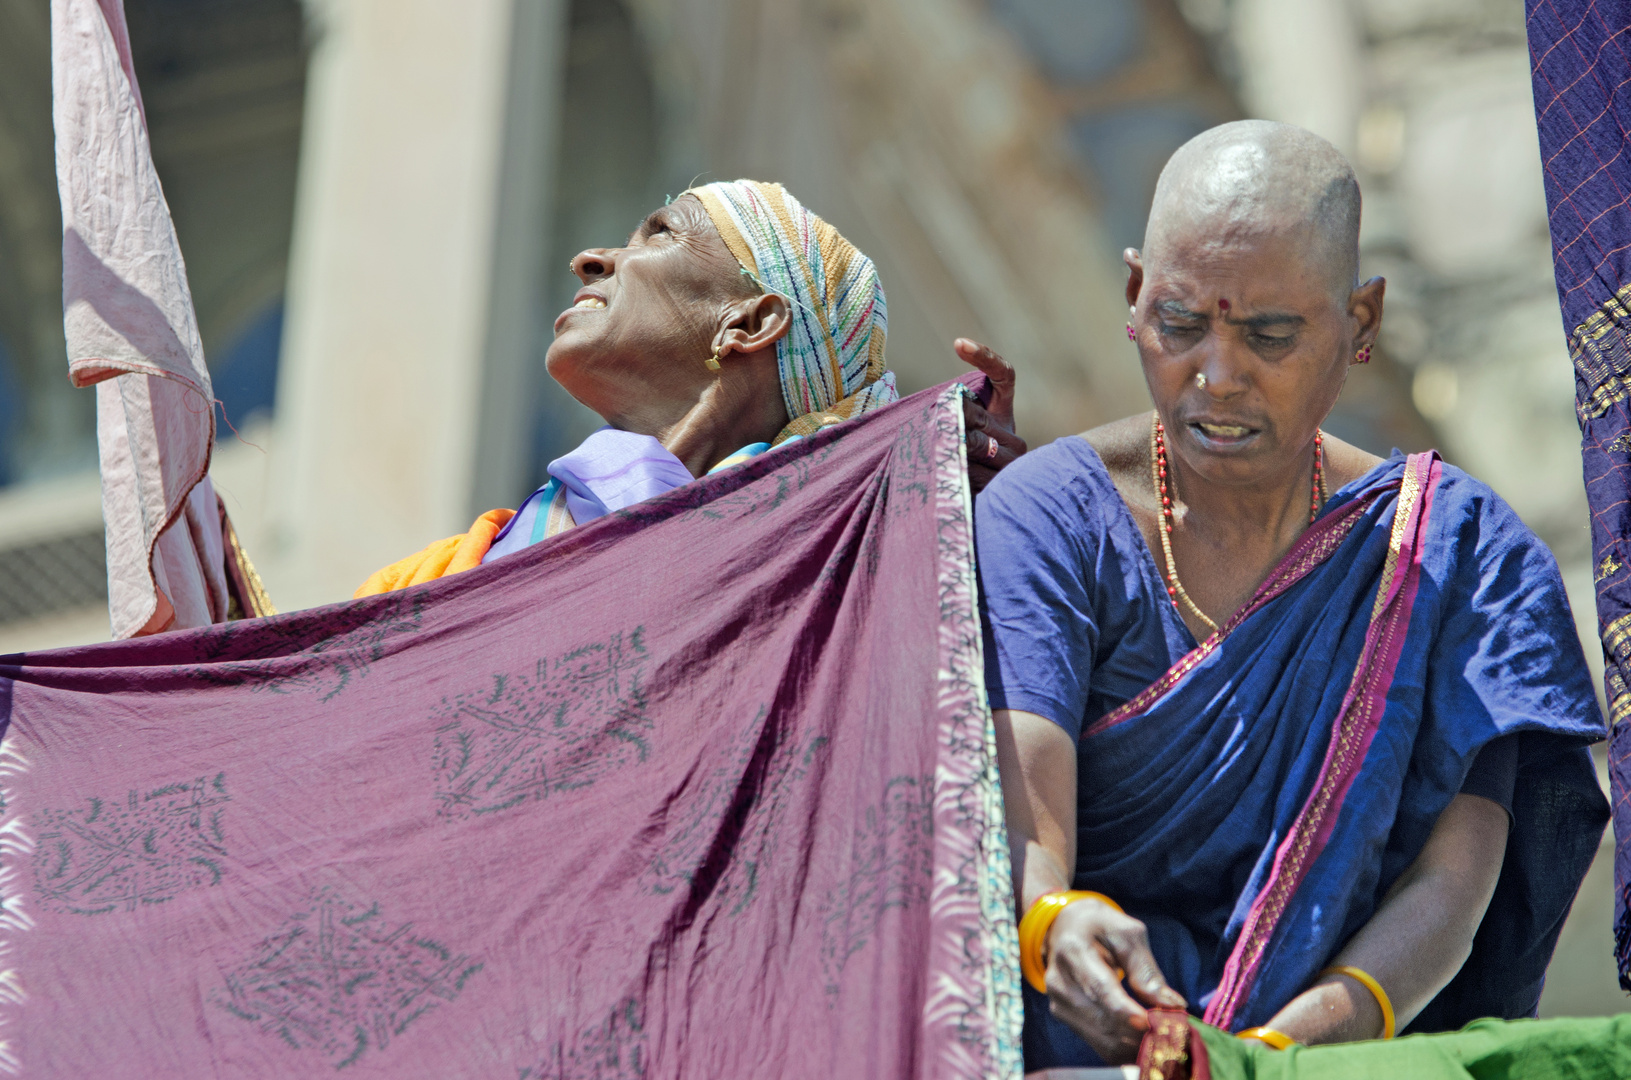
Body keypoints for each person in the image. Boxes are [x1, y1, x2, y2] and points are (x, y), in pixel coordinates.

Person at [977, 121, 1610, 1070]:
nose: (1218, 377)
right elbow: (1025, 812)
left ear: (1360, 324)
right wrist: (1054, 925)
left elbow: (1452, 880)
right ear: (1132, 295)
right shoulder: (1050, 518)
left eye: (1270, 334)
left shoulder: (1456, 555)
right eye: (1180, 324)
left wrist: (1268, 1057)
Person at [356, 180, 1023, 594]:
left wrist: (982, 529)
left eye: (660, 234)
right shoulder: (421, 587)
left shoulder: (825, 578)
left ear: (750, 321)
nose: (589, 261)